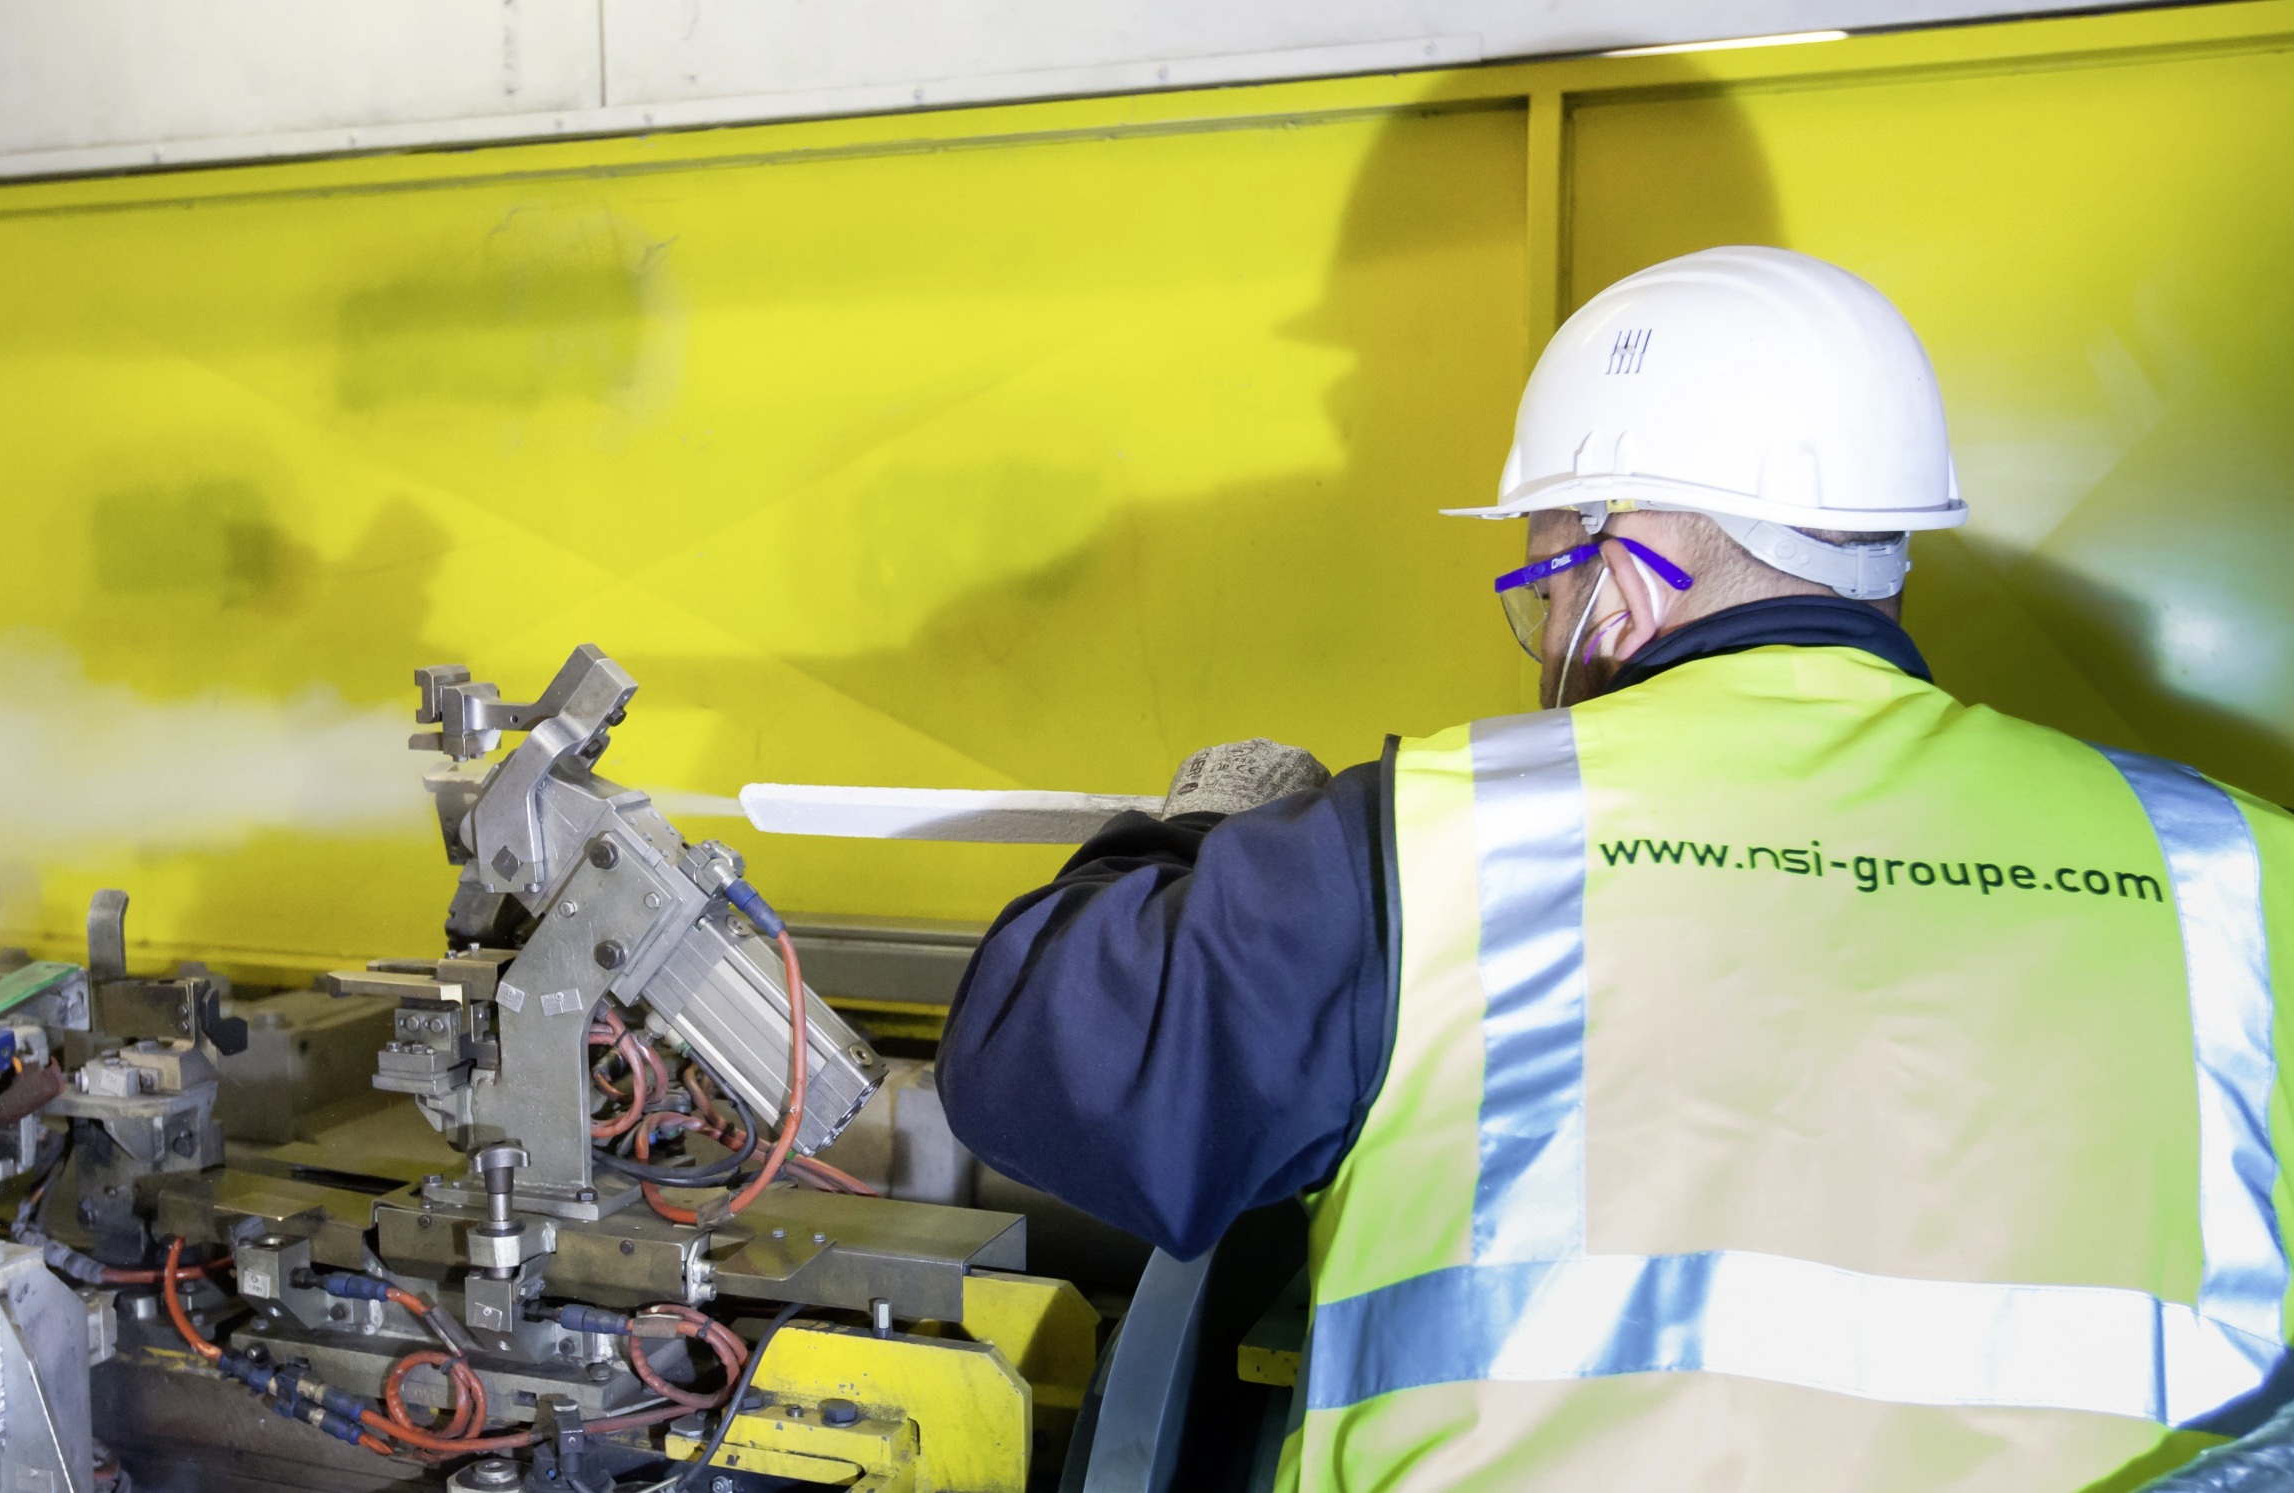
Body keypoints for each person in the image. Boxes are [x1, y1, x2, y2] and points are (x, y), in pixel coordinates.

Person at [933, 246, 2294, 1490]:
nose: (1542, 630)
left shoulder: (1441, 845)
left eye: (1542, 586)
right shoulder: (2235, 866)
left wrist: (1200, 834)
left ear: (1620, 586)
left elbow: (1033, 1061)